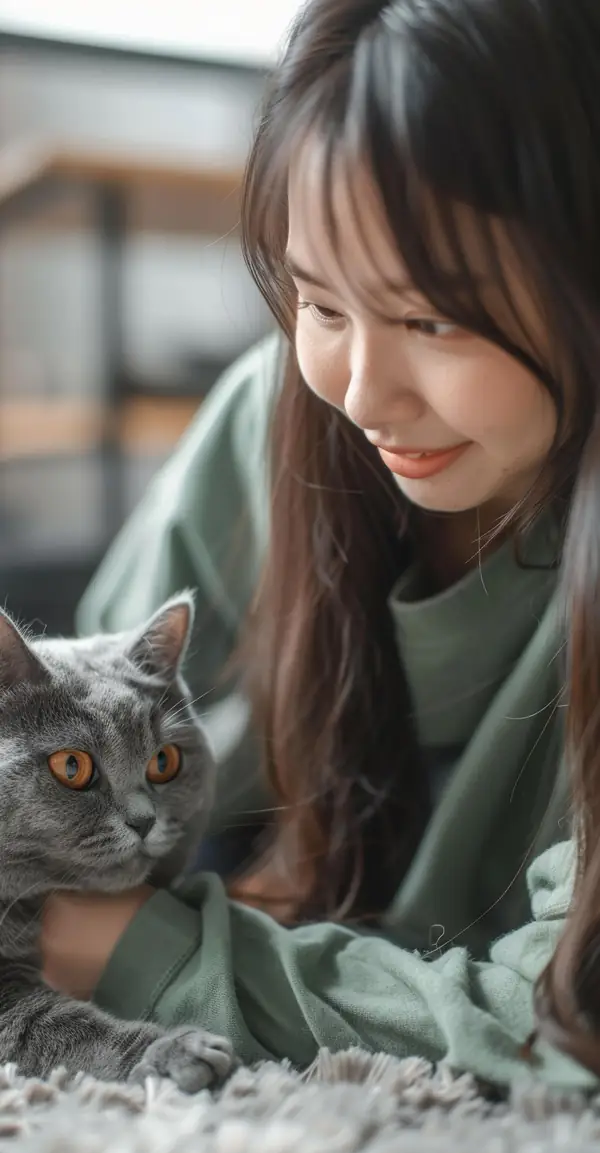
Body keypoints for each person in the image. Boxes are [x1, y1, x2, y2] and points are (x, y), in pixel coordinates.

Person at [40, 0, 600, 1091]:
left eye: (433, 320)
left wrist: (151, 958)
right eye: (319, 302)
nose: (362, 392)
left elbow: (560, 1021)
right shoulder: (269, 414)